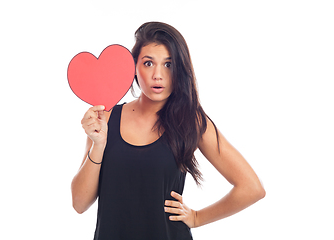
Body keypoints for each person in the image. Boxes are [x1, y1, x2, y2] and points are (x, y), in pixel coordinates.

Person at [71, 21, 265, 240]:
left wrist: (198, 217)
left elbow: (251, 188)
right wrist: (98, 145)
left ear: (179, 70)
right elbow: (79, 204)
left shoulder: (191, 121)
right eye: (148, 63)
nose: (158, 75)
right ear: (133, 67)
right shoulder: (105, 119)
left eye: (168, 64)